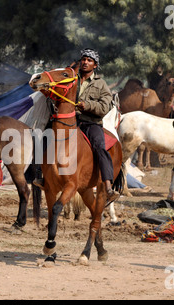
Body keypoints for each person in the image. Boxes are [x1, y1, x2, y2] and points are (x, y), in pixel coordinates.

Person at [34, 48, 119, 204]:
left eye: (89, 60)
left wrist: (87, 105)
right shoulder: (70, 78)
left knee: (100, 146)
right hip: (67, 122)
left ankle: (107, 185)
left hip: (90, 123)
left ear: (95, 65)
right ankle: (41, 176)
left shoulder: (100, 84)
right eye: (84, 59)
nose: (85, 62)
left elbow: (104, 107)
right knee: (45, 137)